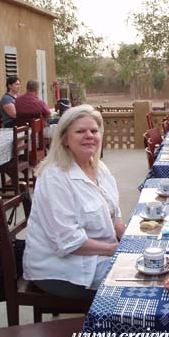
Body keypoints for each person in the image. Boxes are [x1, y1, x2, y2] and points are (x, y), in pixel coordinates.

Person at [23, 104, 125, 300]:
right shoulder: (55, 178)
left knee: (156, 265)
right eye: (80, 131)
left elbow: (114, 214)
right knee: (140, 281)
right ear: (65, 139)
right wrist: (116, 250)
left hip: (98, 255)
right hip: (62, 270)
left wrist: (131, 240)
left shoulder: (99, 167)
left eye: (94, 131)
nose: (89, 135)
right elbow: (67, 241)